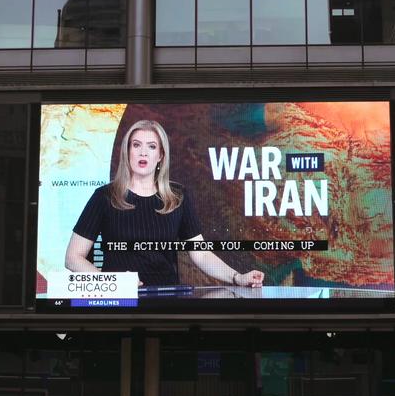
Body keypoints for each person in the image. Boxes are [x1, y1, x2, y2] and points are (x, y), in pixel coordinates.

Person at [65, 119, 265, 287]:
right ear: (127, 152)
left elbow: (202, 255)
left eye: (151, 146)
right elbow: (73, 257)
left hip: (167, 301)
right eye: (136, 145)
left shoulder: (178, 196)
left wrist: (237, 278)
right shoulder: (104, 197)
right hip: (120, 304)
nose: (143, 152)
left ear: (160, 155)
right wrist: (113, 282)